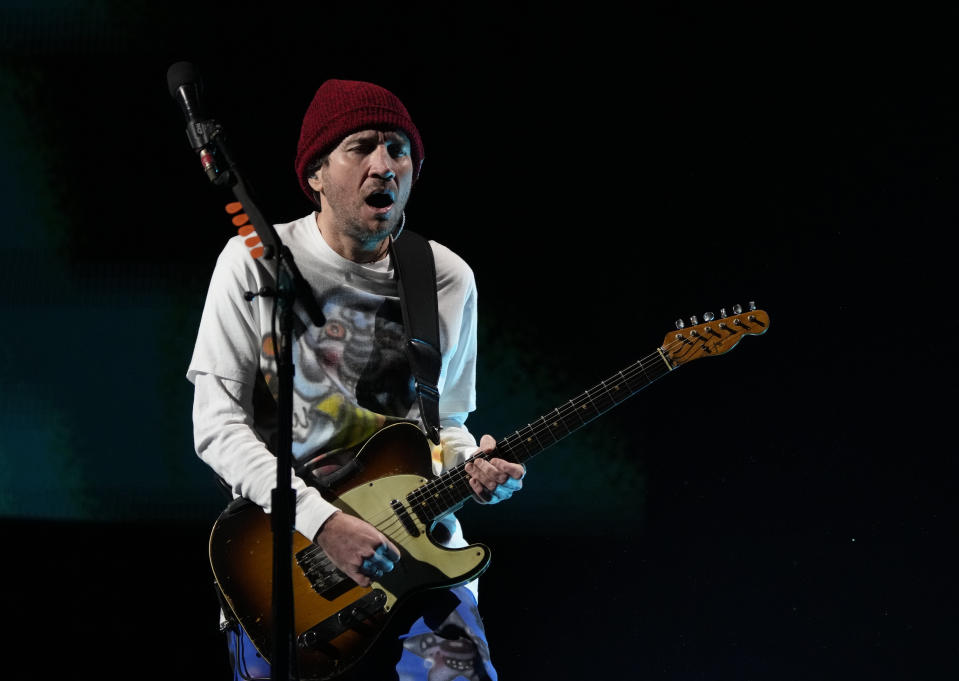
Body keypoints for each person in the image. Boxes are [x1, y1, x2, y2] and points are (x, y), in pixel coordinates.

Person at [187, 78, 525, 681]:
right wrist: (323, 525)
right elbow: (217, 427)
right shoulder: (252, 262)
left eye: (398, 150)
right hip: (289, 567)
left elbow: (445, 423)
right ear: (315, 173)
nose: (384, 165)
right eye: (361, 147)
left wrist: (474, 467)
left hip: (422, 559)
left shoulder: (446, 278)